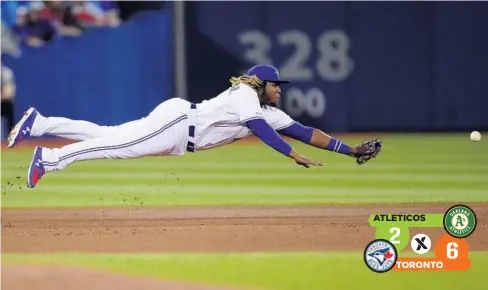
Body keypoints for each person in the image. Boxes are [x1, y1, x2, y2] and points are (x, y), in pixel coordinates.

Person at [6, 65, 382, 188]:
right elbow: (266, 133)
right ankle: (50, 159)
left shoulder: (269, 112)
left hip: (178, 131)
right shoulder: (244, 97)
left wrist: (351, 152)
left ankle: (41, 123)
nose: (279, 92)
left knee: (108, 134)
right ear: (259, 84)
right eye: (275, 86)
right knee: (113, 146)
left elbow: (304, 132)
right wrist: (292, 155)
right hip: (177, 125)